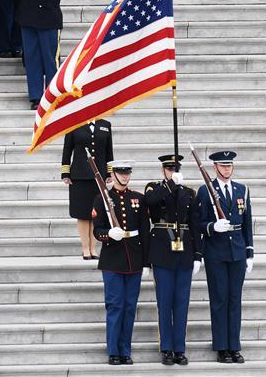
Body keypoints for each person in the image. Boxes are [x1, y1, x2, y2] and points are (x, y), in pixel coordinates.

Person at [144, 154, 203, 366]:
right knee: (165, 302)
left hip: (184, 251)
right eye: (168, 169)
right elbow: (149, 203)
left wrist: (198, 254)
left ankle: (179, 348)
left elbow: (194, 225)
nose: (172, 171)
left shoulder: (188, 192)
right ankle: (166, 348)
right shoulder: (154, 188)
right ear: (163, 171)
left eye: (175, 169)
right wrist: (170, 185)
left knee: (181, 304)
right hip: (162, 252)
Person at [197, 150, 254, 364]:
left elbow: (247, 222)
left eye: (229, 165)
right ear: (215, 168)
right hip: (216, 252)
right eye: (223, 166)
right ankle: (221, 347)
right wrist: (213, 227)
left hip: (237, 250)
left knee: (234, 300)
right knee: (219, 299)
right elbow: (199, 223)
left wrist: (249, 252)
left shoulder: (242, 190)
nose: (227, 169)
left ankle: (234, 346)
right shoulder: (205, 191)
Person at [92, 161, 150, 366]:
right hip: (112, 260)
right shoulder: (102, 198)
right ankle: (113, 351)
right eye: (121, 173)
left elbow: (145, 231)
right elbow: (96, 230)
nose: (125, 176)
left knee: (129, 307)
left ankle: (125, 350)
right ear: (113, 174)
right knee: (115, 306)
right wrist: (108, 234)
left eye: (127, 173)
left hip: (134, 259)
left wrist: (146, 262)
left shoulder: (139, 199)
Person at [17, 0, 66, 109]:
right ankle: (36, 97)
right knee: (32, 59)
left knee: (50, 60)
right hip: (29, 18)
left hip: (47, 19)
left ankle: (52, 97)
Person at [61, 119, 113, 259]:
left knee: (96, 213)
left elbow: (109, 151)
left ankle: (93, 248)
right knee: (82, 213)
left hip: (99, 175)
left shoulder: (105, 125)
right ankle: (85, 248)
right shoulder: (73, 123)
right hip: (79, 176)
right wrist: (65, 173)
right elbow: (67, 149)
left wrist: (109, 173)